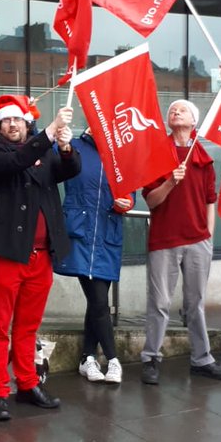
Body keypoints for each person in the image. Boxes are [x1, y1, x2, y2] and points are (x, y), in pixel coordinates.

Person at [0, 96, 80, 421]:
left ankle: (27, 383)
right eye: (7, 121)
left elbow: (70, 169)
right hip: (10, 253)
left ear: (26, 124)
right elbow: (16, 162)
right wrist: (49, 133)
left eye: (18, 121)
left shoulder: (43, 149)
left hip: (41, 257)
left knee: (27, 327)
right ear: (0, 126)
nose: (12, 125)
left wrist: (64, 146)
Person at [141, 99, 221, 386]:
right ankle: (151, 358)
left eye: (181, 109)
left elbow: (210, 201)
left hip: (198, 241)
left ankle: (202, 359)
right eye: (171, 110)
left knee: (196, 303)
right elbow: (151, 200)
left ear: (194, 121)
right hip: (164, 239)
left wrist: (209, 238)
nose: (174, 111)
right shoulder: (158, 154)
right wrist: (169, 182)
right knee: (160, 302)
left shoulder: (202, 157)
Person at [55, 129, 133, 384]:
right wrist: (36, 127)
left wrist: (127, 202)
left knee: (96, 302)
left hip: (108, 235)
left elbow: (130, 192)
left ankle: (87, 358)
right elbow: (47, 162)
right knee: (99, 299)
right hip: (81, 234)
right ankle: (112, 358)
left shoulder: (121, 153)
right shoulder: (73, 146)